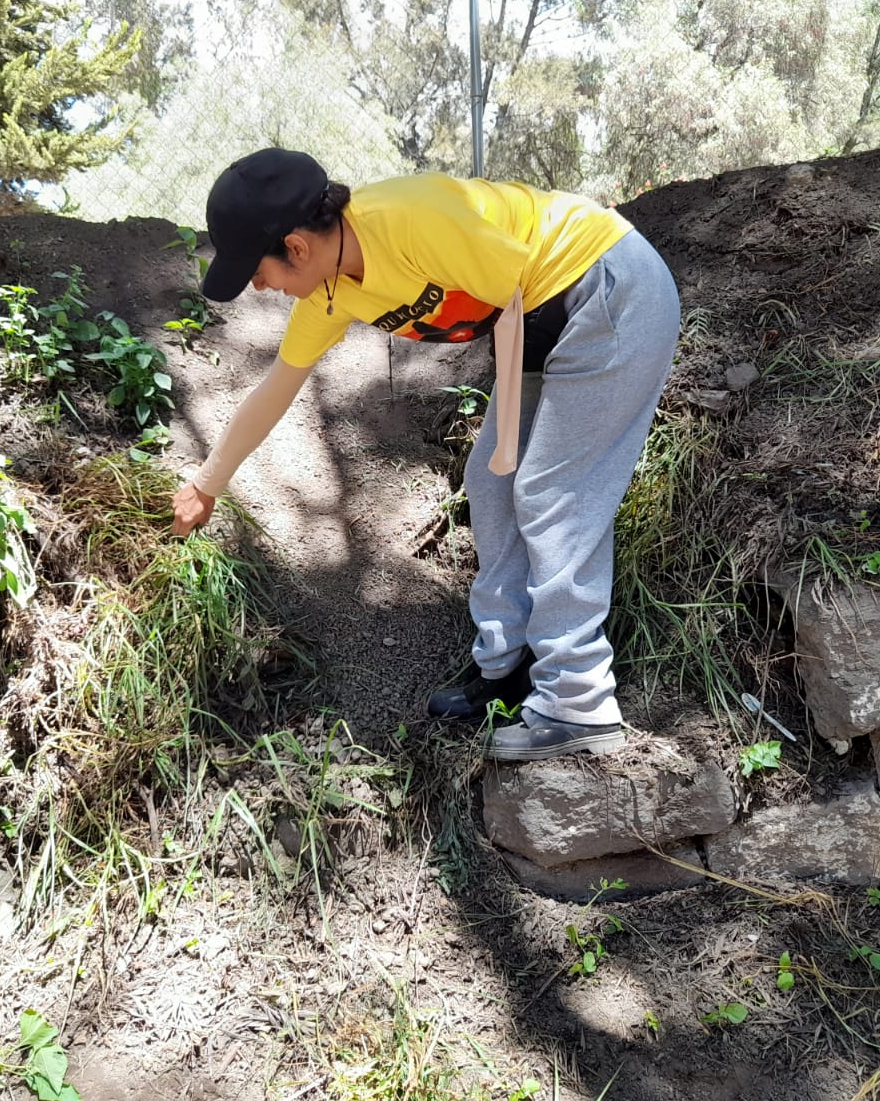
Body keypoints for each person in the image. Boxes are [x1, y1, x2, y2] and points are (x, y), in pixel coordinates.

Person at [170, 148, 681, 761]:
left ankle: (579, 700)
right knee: (492, 480)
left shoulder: (413, 218)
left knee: (552, 491)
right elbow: (277, 387)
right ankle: (507, 665)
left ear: (297, 247)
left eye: (257, 270)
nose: (258, 285)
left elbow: (517, 283)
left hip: (606, 289)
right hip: (544, 320)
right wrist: (207, 483)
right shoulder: (329, 294)